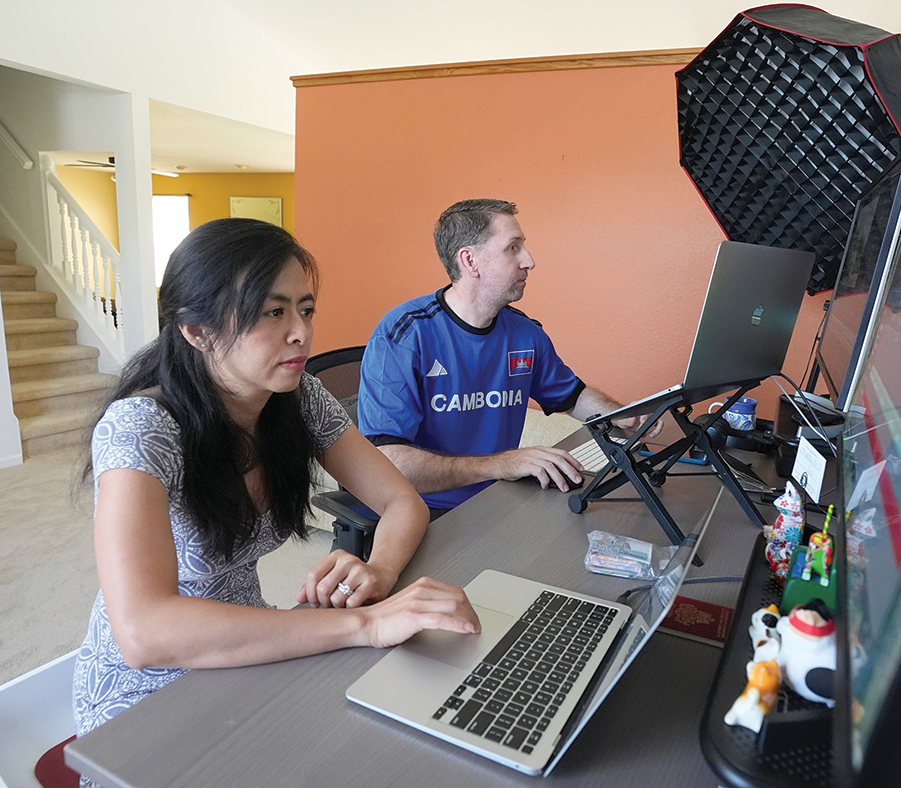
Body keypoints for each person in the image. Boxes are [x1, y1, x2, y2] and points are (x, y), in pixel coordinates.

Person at [73, 219, 480, 742]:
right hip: (145, 701)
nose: (301, 332)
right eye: (273, 312)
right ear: (197, 331)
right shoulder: (142, 428)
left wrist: (378, 571)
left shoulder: (298, 397)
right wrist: (367, 624)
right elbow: (143, 633)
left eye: (305, 310)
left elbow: (403, 502)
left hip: (253, 654)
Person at [357, 199, 654, 515]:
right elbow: (386, 463)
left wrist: (623, 415)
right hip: (422, 512)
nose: (529, 261)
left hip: (500, 500)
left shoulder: (526, 333)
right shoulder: (403, 334)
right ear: (470, 261)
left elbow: (572, 396)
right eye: (513, 248)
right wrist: (500, 464)